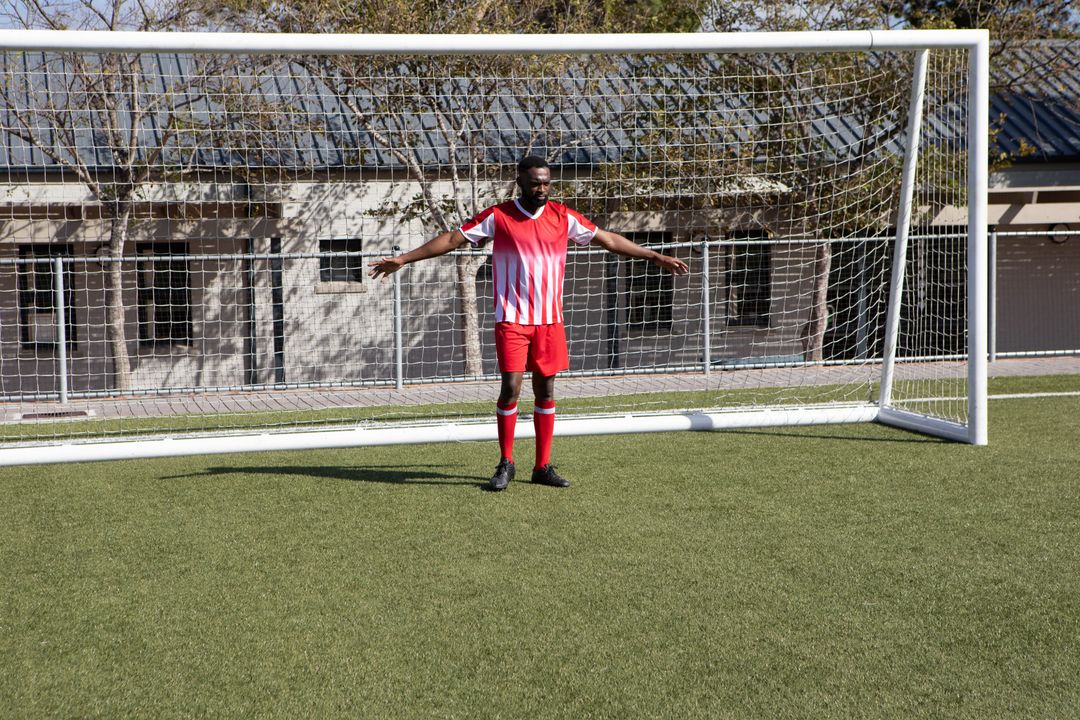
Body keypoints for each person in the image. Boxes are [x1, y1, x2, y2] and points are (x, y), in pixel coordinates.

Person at [369, 155, 688, 491]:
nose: (542, 188)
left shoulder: (563, 216)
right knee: (511, 388)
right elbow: (452, 239)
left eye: (547, 182)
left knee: (546, 390)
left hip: (549, 321)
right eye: (536, 182)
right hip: (512, 320)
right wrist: (403, 259)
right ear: (520, 180)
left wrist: (654, 256)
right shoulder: (499, 216)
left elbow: (608, 239)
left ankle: (542, 466)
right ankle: (506, 462)